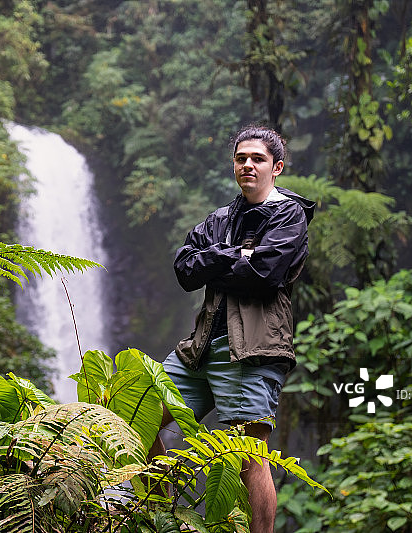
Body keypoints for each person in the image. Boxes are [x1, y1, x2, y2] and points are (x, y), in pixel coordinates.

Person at [148, 124, 315, 533]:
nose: (247, 165)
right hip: (201, 348)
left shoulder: (289, 216)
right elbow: (185, 269)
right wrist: (232, 253)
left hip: (253, 352)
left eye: (257, 159)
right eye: (241, 158)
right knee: (140, 414)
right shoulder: (221, 218)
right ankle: (162, 518)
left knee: (249, 457)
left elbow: (264, 273)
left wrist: (215, 260)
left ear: (277, 167)